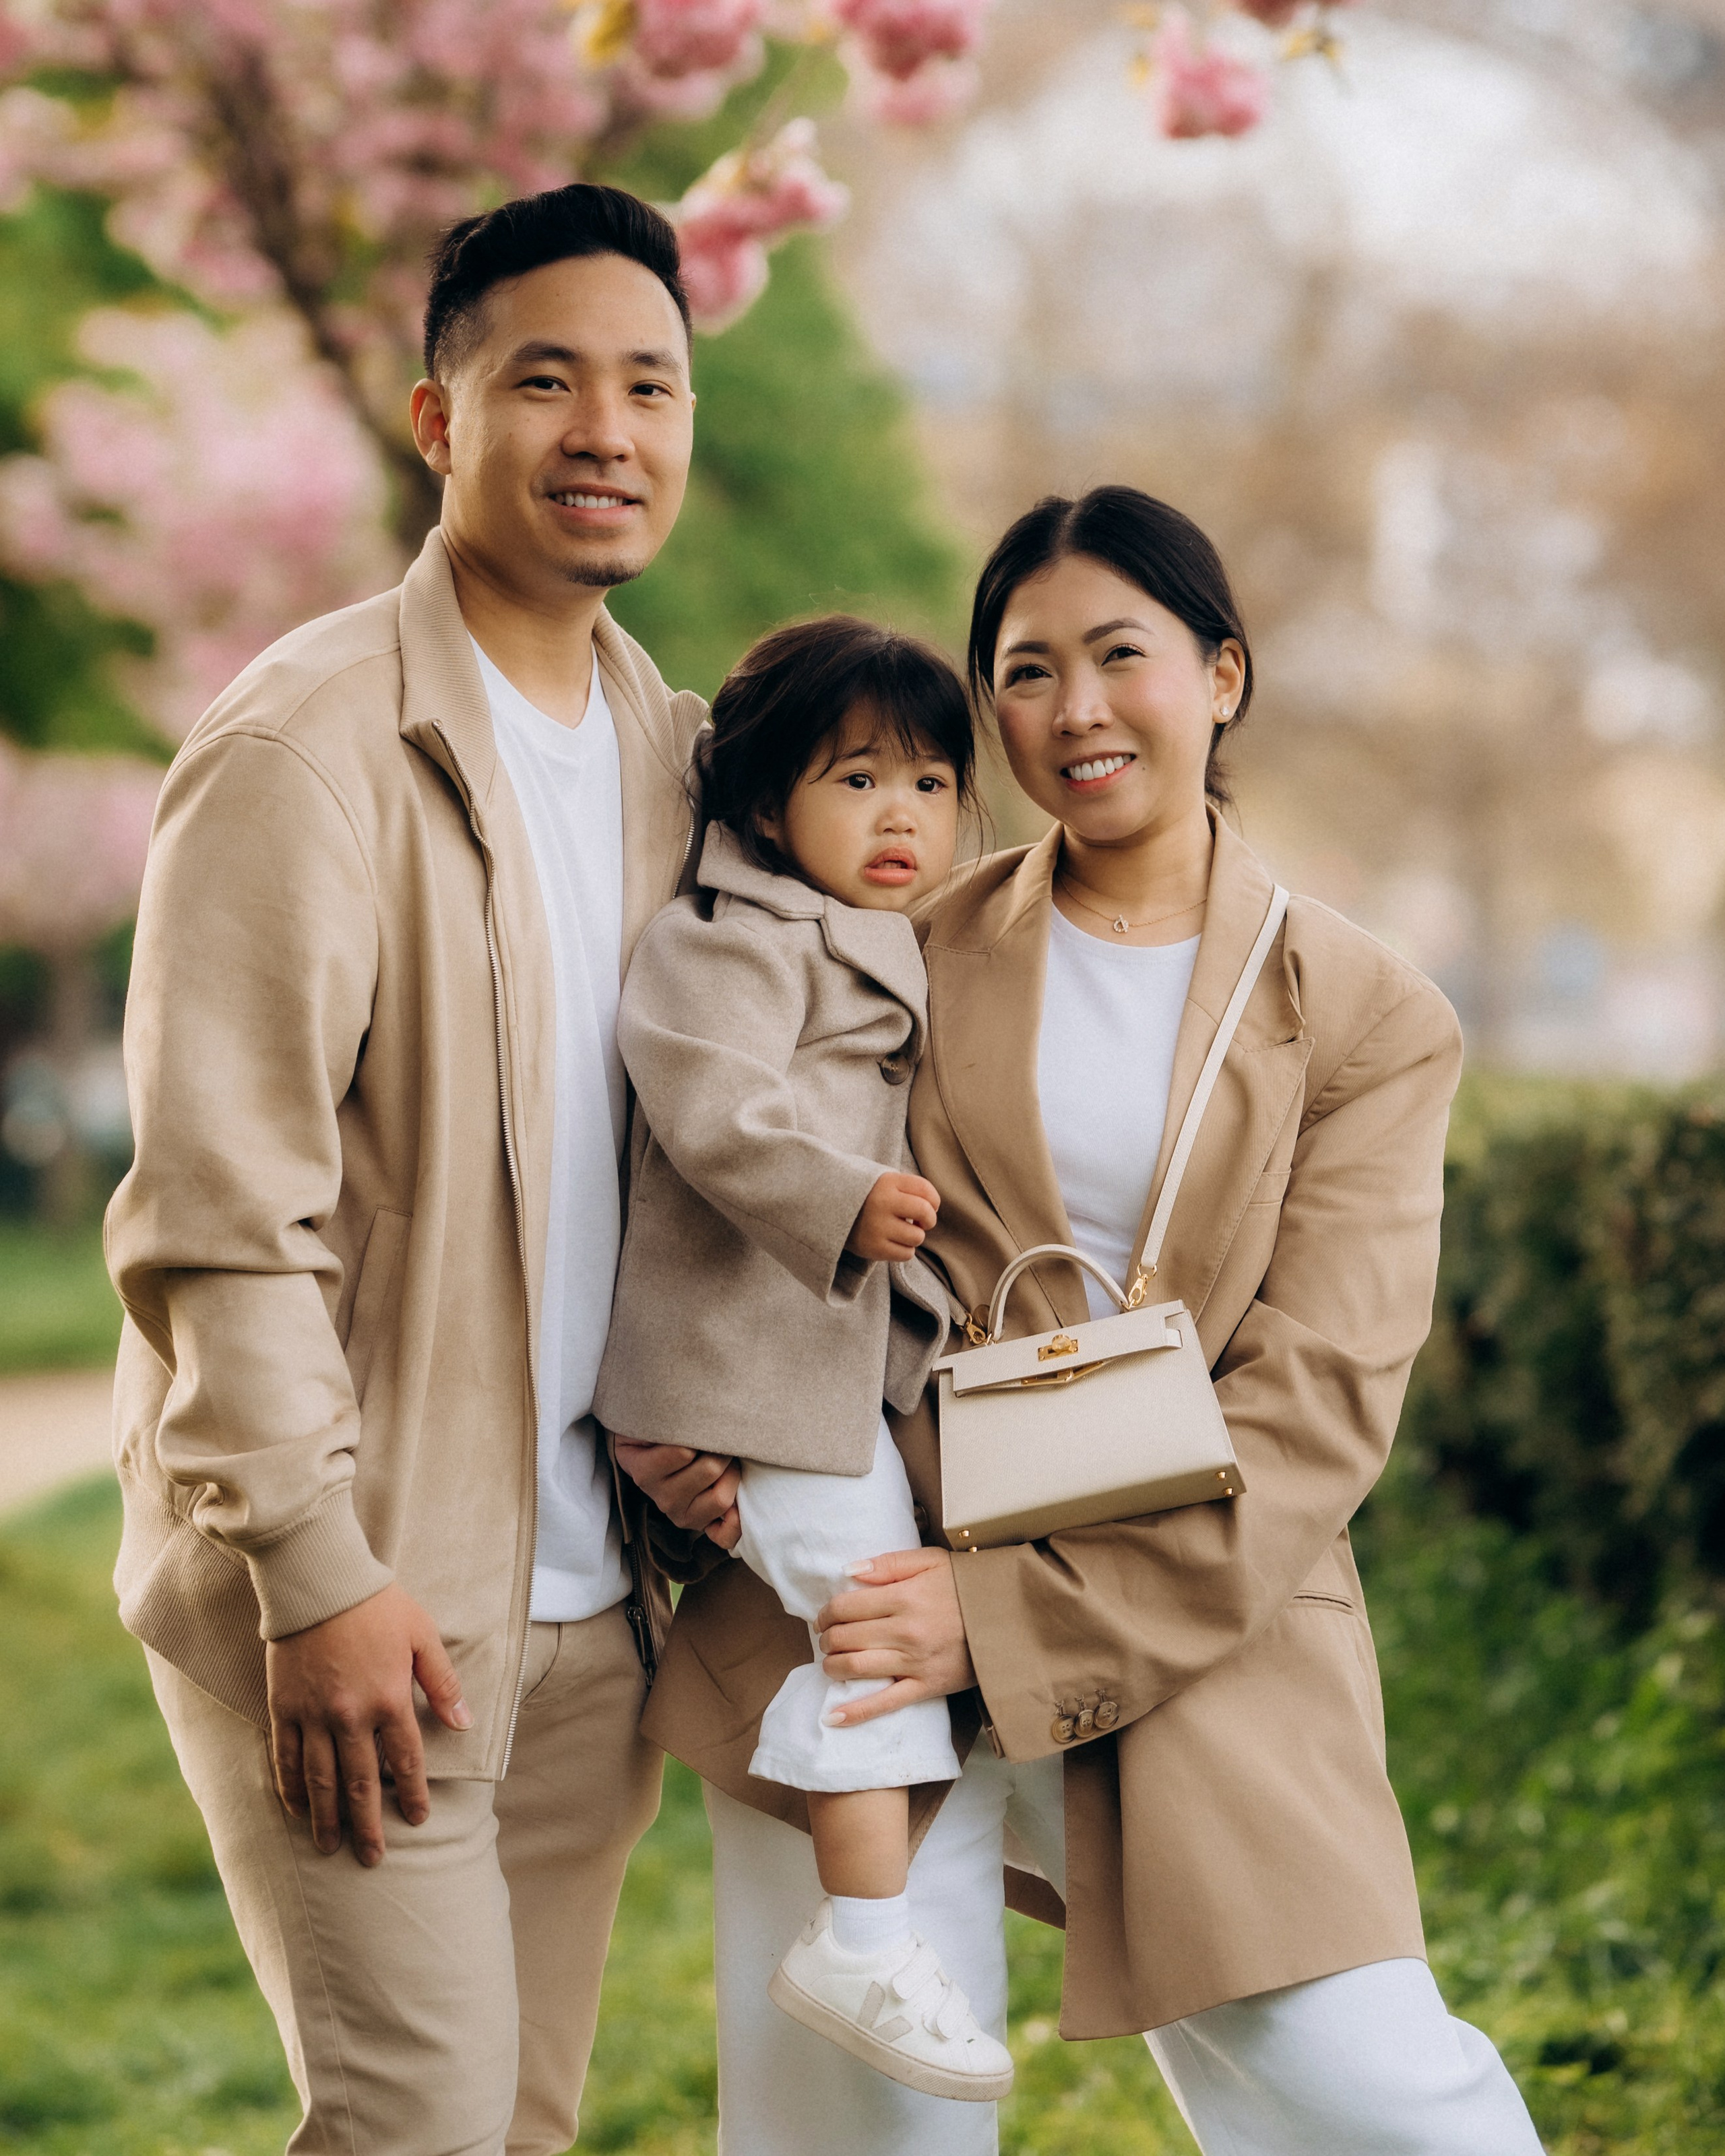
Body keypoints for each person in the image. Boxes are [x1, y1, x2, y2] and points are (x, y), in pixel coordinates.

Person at [622, 486, 1547, 2154]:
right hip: (857, 1595)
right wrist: (693, 1433)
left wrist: (1001, 1619)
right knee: (863, 2120)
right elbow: (724, 1188)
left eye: (1119, 656)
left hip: (1190, 1613)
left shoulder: (1364, 1014)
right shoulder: (893, 939)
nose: (1073, 709)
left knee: (1371, 2091)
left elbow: (1314, 1410)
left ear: (1220, 675)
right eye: (1024, 672)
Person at [106, 183, 707, 2156]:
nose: (606, 431)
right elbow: (218, 1217)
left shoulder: (679, 759)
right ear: (440, 420)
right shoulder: (304, 747)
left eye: (650, 386)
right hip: (369, 1599)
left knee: (511, 2129)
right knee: (416, 2129)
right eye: (547, 381)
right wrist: (315, 1571)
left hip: (592, 1611)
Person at [595, 616, 1013, 2101]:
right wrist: (840, 1200)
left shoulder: (879, 935)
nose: (902, 815)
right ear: (768, 805)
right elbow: (712, 1108)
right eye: (857, 779)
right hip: (741, 1369)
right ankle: (866, 1938)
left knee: (871, 1621)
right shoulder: (726, 939)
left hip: (808, 1373)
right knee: (877, 1628)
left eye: (930, 783)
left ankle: (871, 1928)